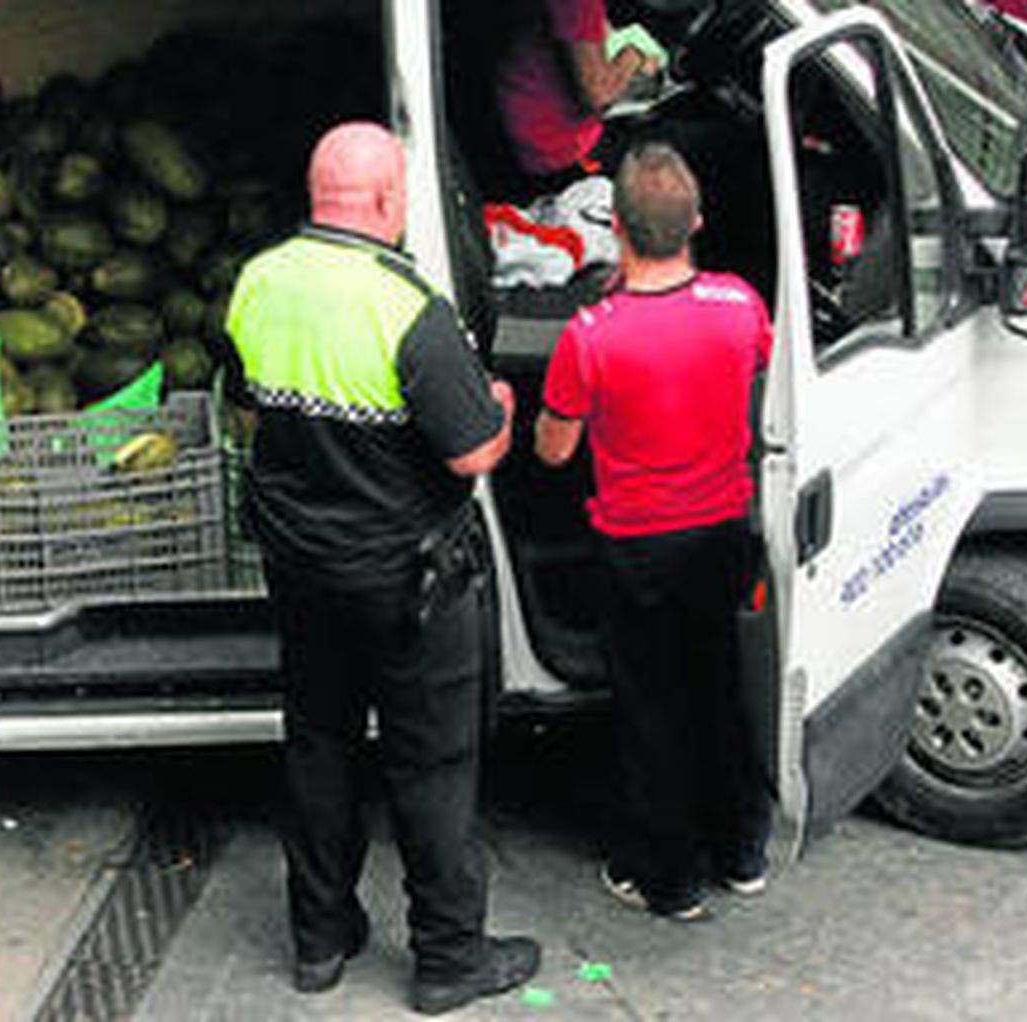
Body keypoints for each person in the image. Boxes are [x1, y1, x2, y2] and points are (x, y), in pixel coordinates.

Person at [225, 121, 540, 1015]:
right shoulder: (407, 306)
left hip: (300, 568)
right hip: (407, 580)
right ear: (388, 200)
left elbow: (256, 403)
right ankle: (447, 958)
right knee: (432, 765)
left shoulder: (259, 282)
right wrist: (503, 406)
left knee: (319, 748)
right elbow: (474, 454)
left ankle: (319, 941)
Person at [533, 142, 773, 920]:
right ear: (697, 222)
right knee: (721, 691)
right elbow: (756, 366)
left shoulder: (591, 333)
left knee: (652, 714)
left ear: (617, 231)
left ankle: (668, 880)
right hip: (724, 535)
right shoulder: (741, 304)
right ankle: (742, 852)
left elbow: (555, 448)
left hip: (636, 549)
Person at [494, 0, 663, 191]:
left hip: (523, 103)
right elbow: (599, 95)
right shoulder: (581, 5)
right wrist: (635, 53)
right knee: (677, 146)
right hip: (551, 148)